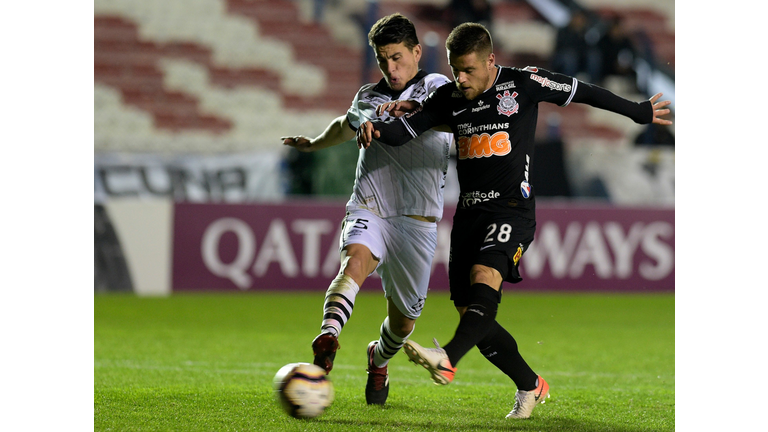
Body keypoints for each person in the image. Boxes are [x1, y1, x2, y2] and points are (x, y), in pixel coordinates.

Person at [356, 22, 672, 419]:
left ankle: (447, 357)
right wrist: (376, 128)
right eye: (456, 70)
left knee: (486, 278)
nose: (462, 79)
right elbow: (406, 132)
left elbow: (583, 91)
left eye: (470, 70)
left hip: (512, 210)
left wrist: (638, 111)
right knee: (473, 314)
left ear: (491, 60)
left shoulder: (524, 84)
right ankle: (530, 385)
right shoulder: (449, 97)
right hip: (469, 213)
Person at [281, 13, 454, 406]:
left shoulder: (438, 87)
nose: (391, 69)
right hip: (371, 204)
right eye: (383, 61)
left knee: (404, 323)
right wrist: (311, 144)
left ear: (416, 51)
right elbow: (345, 123)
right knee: (354, 262)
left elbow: (453, 118)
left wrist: (407, 112)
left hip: (418, 219)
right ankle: (328, 334)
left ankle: (378, 358)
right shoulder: (368, 97)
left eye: (397, 58)